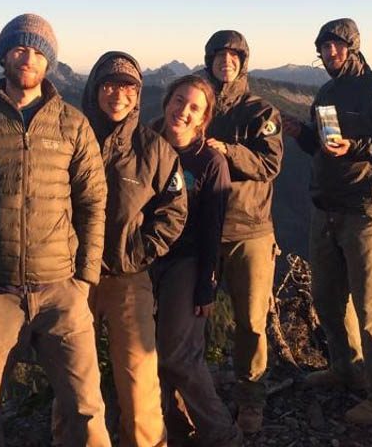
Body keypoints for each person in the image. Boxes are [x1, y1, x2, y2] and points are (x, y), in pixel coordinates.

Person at [0, 13, 111, 447]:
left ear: (49, 62)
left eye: (37, 51)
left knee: (87, 408)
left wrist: (84, 280)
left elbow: (93, 203)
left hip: (61, 291)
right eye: (19, 48)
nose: (27, 57)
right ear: (4, 55)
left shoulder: (73, 124)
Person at [284, 18, 372, 425]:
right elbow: (327, 148)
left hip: (364, 211)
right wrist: (301, 135)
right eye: (324, 49)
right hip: (325, 208)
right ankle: (346, 369)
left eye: (336, 47)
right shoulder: (326, 92)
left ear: (353, 47)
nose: (329, 55)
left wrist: (359, 146)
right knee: (327, 298)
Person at [78, 51, 187, 447]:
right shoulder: (72, 135)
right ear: (95, 89)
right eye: (109, 85)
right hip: (72, 279)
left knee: (139, 377)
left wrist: (138, 254)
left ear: (138, 94)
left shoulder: (153, 149)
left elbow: (174, 212)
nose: (118, 95)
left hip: (127, 277)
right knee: (75, 380)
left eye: (128, 87)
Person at [200, 30, 284, 433]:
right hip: (200, 229)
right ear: (209, 60)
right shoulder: (198, 103)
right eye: (220, 56)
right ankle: (190, 392)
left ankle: (251, 400)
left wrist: (227, 151)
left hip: (249, 230)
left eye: (234, 57)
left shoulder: (260, 111)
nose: (226, 62)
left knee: (251, 323)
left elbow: (270, 164)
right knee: (190, 317)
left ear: (243, 63)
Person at [151, 74, 242, 446]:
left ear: (204, 119)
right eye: (178, 101)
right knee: (152, 355)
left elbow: (211, 227)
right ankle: (174, 430)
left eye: (194, 108)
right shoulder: (145, 142)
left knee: (179, 354)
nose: (183, 112)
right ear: (166, 101)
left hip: (186, 260)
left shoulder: (209, 161)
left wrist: (206, 283)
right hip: (144, 258)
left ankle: (222, 435)